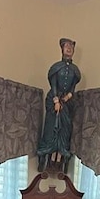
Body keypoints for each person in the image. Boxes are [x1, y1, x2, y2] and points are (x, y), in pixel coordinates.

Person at [37, 38, 81, 174]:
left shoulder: (75, 70)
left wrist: (68, 97)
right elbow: (54, 84)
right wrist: (56, 101)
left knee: (65, 127)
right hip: (55, 99)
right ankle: (47, 155)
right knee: (52, 125)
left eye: (71, 47)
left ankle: (61, 156)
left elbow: (72, 87)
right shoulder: (56, 67)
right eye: (66, 47)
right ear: (62, 49)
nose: (69, 49)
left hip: (67, 101)